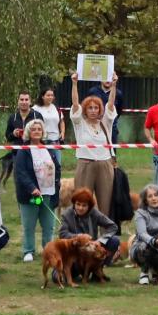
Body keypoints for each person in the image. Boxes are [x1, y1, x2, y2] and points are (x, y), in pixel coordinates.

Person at [68, 72, 119, 217]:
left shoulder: (105, 123)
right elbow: (75, 104)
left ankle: (105, 235)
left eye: (96, 108)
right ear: (85, 109)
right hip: (85, 165)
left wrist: (114, 85)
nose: (93, 110)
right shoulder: (79, 123)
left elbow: (110, 104)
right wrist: (74, 83)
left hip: (105, 165)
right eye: (90, 108)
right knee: (82, 203)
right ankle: (83, 234)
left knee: (105, 204)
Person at [13, 118, 59, 263]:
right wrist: (32, 188)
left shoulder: (49, 149)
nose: (37, 132)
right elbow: (20, 173)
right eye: (33, 129)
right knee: (29, 225)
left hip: (49, 194)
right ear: (28, 132)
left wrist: (57, 183)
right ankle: (28, 250)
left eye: (39, 129)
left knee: (49, 226)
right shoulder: (24, 151)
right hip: (31, 196)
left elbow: (57, 167)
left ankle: (48, 250)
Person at [58, 187, 119, 272]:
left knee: (114, 240)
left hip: (92, 248)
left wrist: (100, 241)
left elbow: (113, 227)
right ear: (74, 203)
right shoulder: (66, 214)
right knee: (58, 276)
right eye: (78, 204)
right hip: (74, 250)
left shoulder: (94, 213)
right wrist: (79, 237)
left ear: (89, 206)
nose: (80, 208)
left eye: (84, 205)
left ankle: (97, 270)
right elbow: (62, 234)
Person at [5, 91, 34, 182]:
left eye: (26, 100)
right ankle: (20, 196)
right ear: (18, 101)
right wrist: (13, 134)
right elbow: (8, 136)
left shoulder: (36, 115)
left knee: (34, 180)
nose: (24, 102)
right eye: (21, 99)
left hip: (34, 153)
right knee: (18, 180)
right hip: (17, 153)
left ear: (30, 102)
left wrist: (31, 134)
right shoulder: (12, 117)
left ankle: (36, 197)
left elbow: (43, 135)